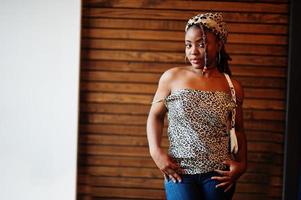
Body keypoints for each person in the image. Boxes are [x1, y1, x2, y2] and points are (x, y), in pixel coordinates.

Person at [146, 12, 247, 200]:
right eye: (188, 45)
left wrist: (241, 164)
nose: (193, 51)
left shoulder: (233, 87)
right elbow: (155, 116)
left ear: (219, 45)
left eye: (201, 44)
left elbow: (238, 130)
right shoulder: (172, 77)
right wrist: (156, 152)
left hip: (218, 175)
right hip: (180, 172)